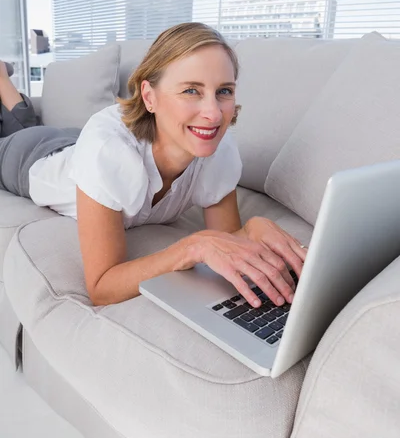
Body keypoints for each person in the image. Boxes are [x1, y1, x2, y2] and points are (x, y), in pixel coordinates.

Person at [0, 22, 306, 308]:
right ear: (149, 96)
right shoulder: (109, 153)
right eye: (191, 90)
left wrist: (253, 228)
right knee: (23, 130)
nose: (214, 114)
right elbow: (102, 286)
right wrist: (190, 247)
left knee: (30, 124)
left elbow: (226, 243)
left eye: (223, 91)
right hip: (32, 158)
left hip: (79, 142)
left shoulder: (218, 149)